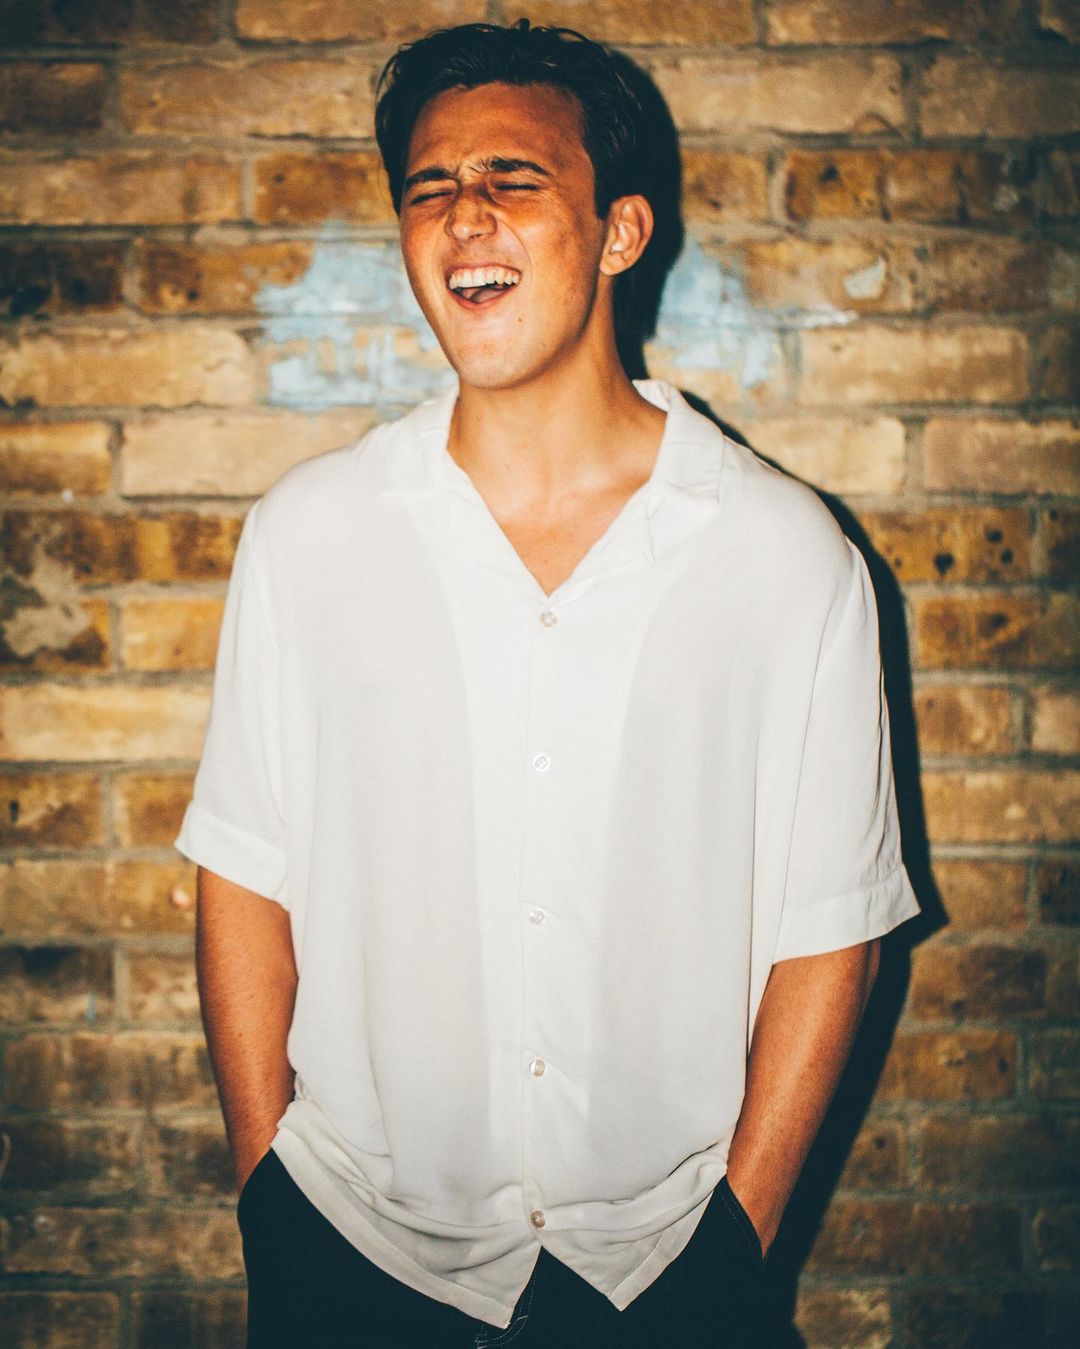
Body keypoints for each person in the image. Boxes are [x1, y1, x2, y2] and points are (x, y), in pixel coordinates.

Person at [174, 19, 920, 1348]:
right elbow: (244, 871)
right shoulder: (311, 534)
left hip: (665, 1269)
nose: (464, 216)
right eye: (428, 187)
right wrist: (266, 1196)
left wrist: (735, 1244)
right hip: (351, 1247)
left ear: (621, 230)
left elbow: (830, 925)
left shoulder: (784, 556)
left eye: (512, 179)